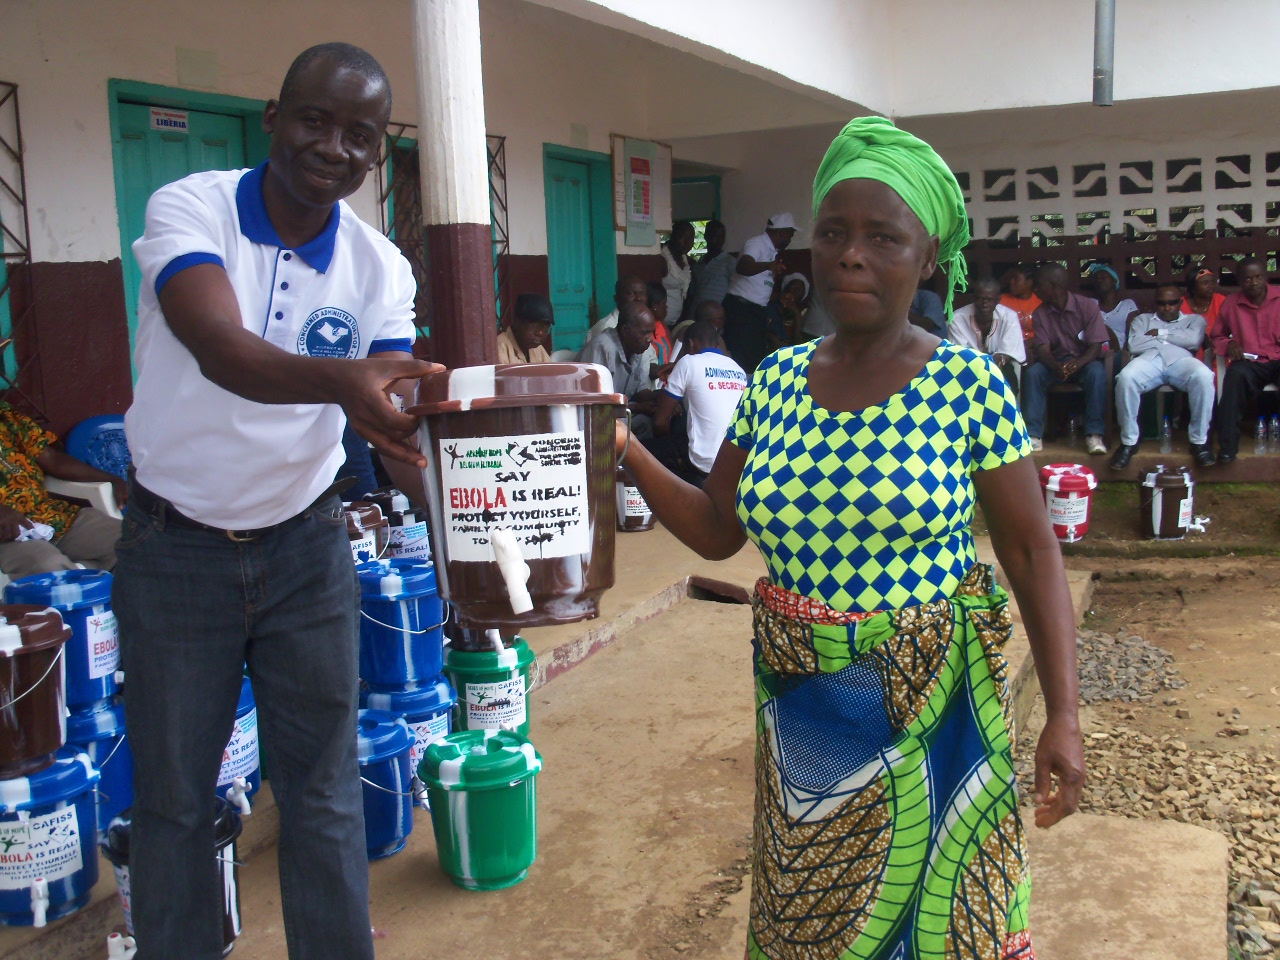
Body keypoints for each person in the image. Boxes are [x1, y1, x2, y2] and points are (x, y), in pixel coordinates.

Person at [615, 116, 1082, 960]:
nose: (850, 257)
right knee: (814, 917)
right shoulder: (775, 382)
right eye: (832, 233)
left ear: (929, 257)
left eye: (882, 237)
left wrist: (1065, 715)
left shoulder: (967, 384)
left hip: (934, 714)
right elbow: (718, 531)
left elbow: (1028, 552)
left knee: (934, 920)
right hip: (803, 715)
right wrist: (625, 449)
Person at [116, 43, 438, 960]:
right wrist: (346, 382)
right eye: (315, 120)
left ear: (377, 153)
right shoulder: (192, 208)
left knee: (323, 791)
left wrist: (475, 530)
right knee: (175, 801)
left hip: (307, 549)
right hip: (176, 549)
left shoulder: (381, 267)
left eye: (360, 135)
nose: (334, 147)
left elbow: (389, 422)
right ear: (273, 117)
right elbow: (221, 348)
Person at [0, 403, 126, 577]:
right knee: (49, 567)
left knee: (133, 540)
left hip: (50, 516)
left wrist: (112, 479)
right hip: (7, 534)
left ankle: (89, 579)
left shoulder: (6, 417)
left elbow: (52, 460)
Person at [1111, 285, 1215, 469]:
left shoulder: (1194, 320)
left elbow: (1193, 341)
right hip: (1148, 360)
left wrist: (1159, 333)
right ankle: (1129, 442)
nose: (1167, 307)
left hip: (1181, 361)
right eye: (1162, 303)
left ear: (1181, 302)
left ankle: (1199, 442)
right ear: (1155, 303)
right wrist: (1178, 337)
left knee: (1204, 376)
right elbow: (1135, 345)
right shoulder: (1142, 320)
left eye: (1172, 303)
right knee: (1126, 378)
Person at [643, 319, 746, 487]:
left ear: (690, 344)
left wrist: (674, 451)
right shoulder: (738, 369)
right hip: (737, 465)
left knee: (643, 449)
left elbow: (659, 423)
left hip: (703, 465)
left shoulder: (688, 362)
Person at [1023, 263, 1110, 454]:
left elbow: (1096, 346)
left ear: (1053, 286)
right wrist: (1055, 366)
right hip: (1055, 363)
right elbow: (1042, 349)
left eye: (1039, 284)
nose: (1035, 289)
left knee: (1097, 372)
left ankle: (1094, 435)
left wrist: (1078, 363)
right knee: (1033, 373)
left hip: (1084, 362)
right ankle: (1033, 435)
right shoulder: (1039, 313)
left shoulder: (1087, 306)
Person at [1212, 256, 1280, 463]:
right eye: (1248, 278)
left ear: (1265, 277)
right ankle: (1228, 448)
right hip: (1250, 362)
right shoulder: (1231, 303)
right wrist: (1229, 344)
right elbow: (1217, 336)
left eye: (1258, 277)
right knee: (1234, 377)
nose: (1254, 282)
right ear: (1239, 281)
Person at [723, 212, 795, 374]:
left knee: (754, 359)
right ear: (780, 232)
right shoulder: (757, 243)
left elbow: (759, 286)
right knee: (743, 360)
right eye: (789, 235)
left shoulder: (771, 251)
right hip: (742, 310)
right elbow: (743, 266)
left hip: (755, 312)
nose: (790, 240)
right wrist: (769, 265)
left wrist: (779, 297)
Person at [579, 300, 659, 437]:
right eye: (645, 333)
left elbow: (640, 390)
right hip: (595, 421)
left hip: (620, 414)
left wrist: (664, 397)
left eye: (651, 333)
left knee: (651, 422)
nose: (649, 339)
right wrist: (638, 407)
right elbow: (595, 405)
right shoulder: (602, 348)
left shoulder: (636, 349)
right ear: (626, 330)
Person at [948, 275, 1026, 390]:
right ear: (973, 298)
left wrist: (999, 360)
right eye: (980, 299)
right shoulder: (957, 318)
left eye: (989, 300)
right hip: (968, 367)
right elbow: (960, 353)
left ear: (998, 300)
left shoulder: (1009, 317)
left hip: (999, 368)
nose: (984, 304)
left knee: (1007, 375)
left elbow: (1008, 353)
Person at [1086, 263, 1138, 354]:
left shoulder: (1128, 305)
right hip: (1093, 352)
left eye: (1103, 277)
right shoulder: (1090, 304)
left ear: (1114, 281)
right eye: (1096, 279)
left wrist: (1123, 356)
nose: (1099, 281)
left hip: (1118, 352)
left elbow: (1132, 336)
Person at [582, 274, 647, 344]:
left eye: (641, 293)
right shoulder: (607, 327)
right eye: (630, 293)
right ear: (616, 298)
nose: (638, 298)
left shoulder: (645, 324)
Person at [1182, 267, 1226, 361]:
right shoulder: (1180, 305)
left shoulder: (1220, 301)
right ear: (1193, 287)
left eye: (1212, 282)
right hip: (1188, 358)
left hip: (1218, 358)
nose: (1211, 286)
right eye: (1205, 283)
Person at [496, 293, 553, 364]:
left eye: (545, 328)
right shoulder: (500, 347)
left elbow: (549, 369)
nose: (540, 333)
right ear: (517, 322)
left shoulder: (537, 348)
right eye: (535, 326)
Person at [690, 219, 735, 307]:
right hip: (697, 312)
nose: (719, 240)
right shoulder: (698, 264)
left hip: (718, 313)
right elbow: (692, 293)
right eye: (715, 236)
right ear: (706, 236)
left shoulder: (730, 262)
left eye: (722, 236)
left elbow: (734, 294)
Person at [661, 220, 695, 324]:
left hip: (677, 322)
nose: (687, 242)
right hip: (661, 322)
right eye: (682, 237)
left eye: (691, 238)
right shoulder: (662, 260)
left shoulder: (686, 261)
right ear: (672, 236)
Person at [1001, 263, 1042, 343]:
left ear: (1029, 283)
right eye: (1011, 278)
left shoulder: (1040, 303)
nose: (1011, 282)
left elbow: (1044, 335)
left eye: (1016, 279)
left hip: (1034, 346)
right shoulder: (1001, 301)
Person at [766, 273, 809, 349]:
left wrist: (797, 315)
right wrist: (773, 339)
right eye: (793, 287)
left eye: (800, 290)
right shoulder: (771, 305)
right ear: (786, 287)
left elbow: (797, 341)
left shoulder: (801, 313)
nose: (795, 291)